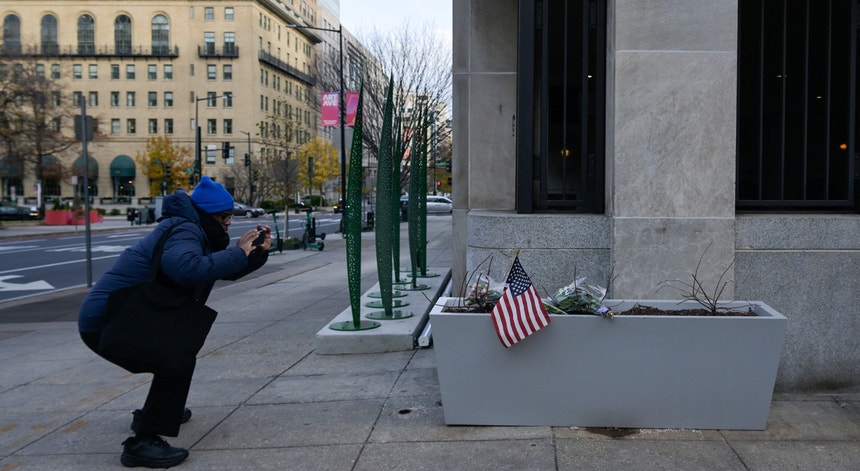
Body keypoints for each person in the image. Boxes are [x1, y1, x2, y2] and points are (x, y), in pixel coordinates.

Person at [78, 176, 271, 468]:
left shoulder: (193, 230)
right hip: (108, 319)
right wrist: (237, 251)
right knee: (175, 360)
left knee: (173, 355)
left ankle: (151, 413)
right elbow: (189, 270)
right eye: (224, 217)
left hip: (122, 314)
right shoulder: (185, 230)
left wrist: (255, 255)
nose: (228, 224)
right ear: (207, 215)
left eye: (230, 217)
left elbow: (214, 268)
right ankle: (142, 443)